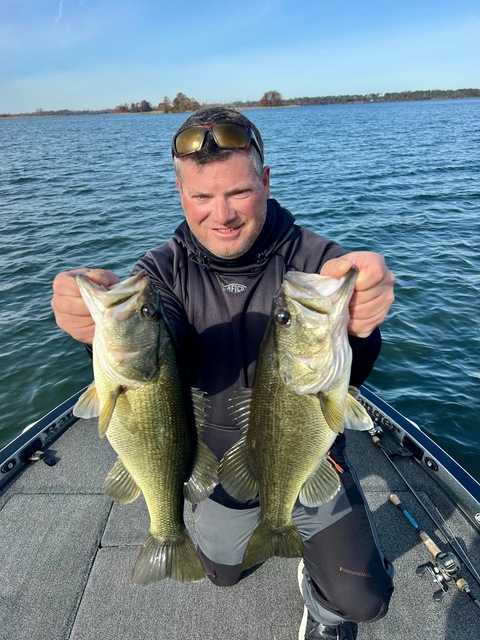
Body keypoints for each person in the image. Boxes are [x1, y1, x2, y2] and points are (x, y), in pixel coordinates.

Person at [51, 106, 395, 640]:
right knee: (222, 575)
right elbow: (147, 366)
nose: (222, 214)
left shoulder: (314, 264)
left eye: (238, 192)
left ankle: (321, 597)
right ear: (179, 192)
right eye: (201, 196)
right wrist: (91, 333)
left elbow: (350, 372)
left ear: (265, 180)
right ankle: (260, 537)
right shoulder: (159, 274)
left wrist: (361, 323)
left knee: (363, 600)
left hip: (306, 454)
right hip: (214, 464)